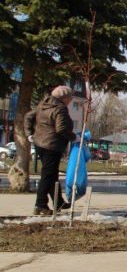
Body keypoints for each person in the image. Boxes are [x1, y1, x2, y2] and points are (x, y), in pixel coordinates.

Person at [24, 86, 76, 215]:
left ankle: (59, 202)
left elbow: (28, 116)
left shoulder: (44, 104)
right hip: (52, 145)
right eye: (70, 97)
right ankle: (40, 205)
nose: (70, 100)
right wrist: (75, 137)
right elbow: (61, 129)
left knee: (52, 174)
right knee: (48, 175)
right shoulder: (60, 108)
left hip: (40, 143)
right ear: (64, 97)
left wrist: (30, 134)